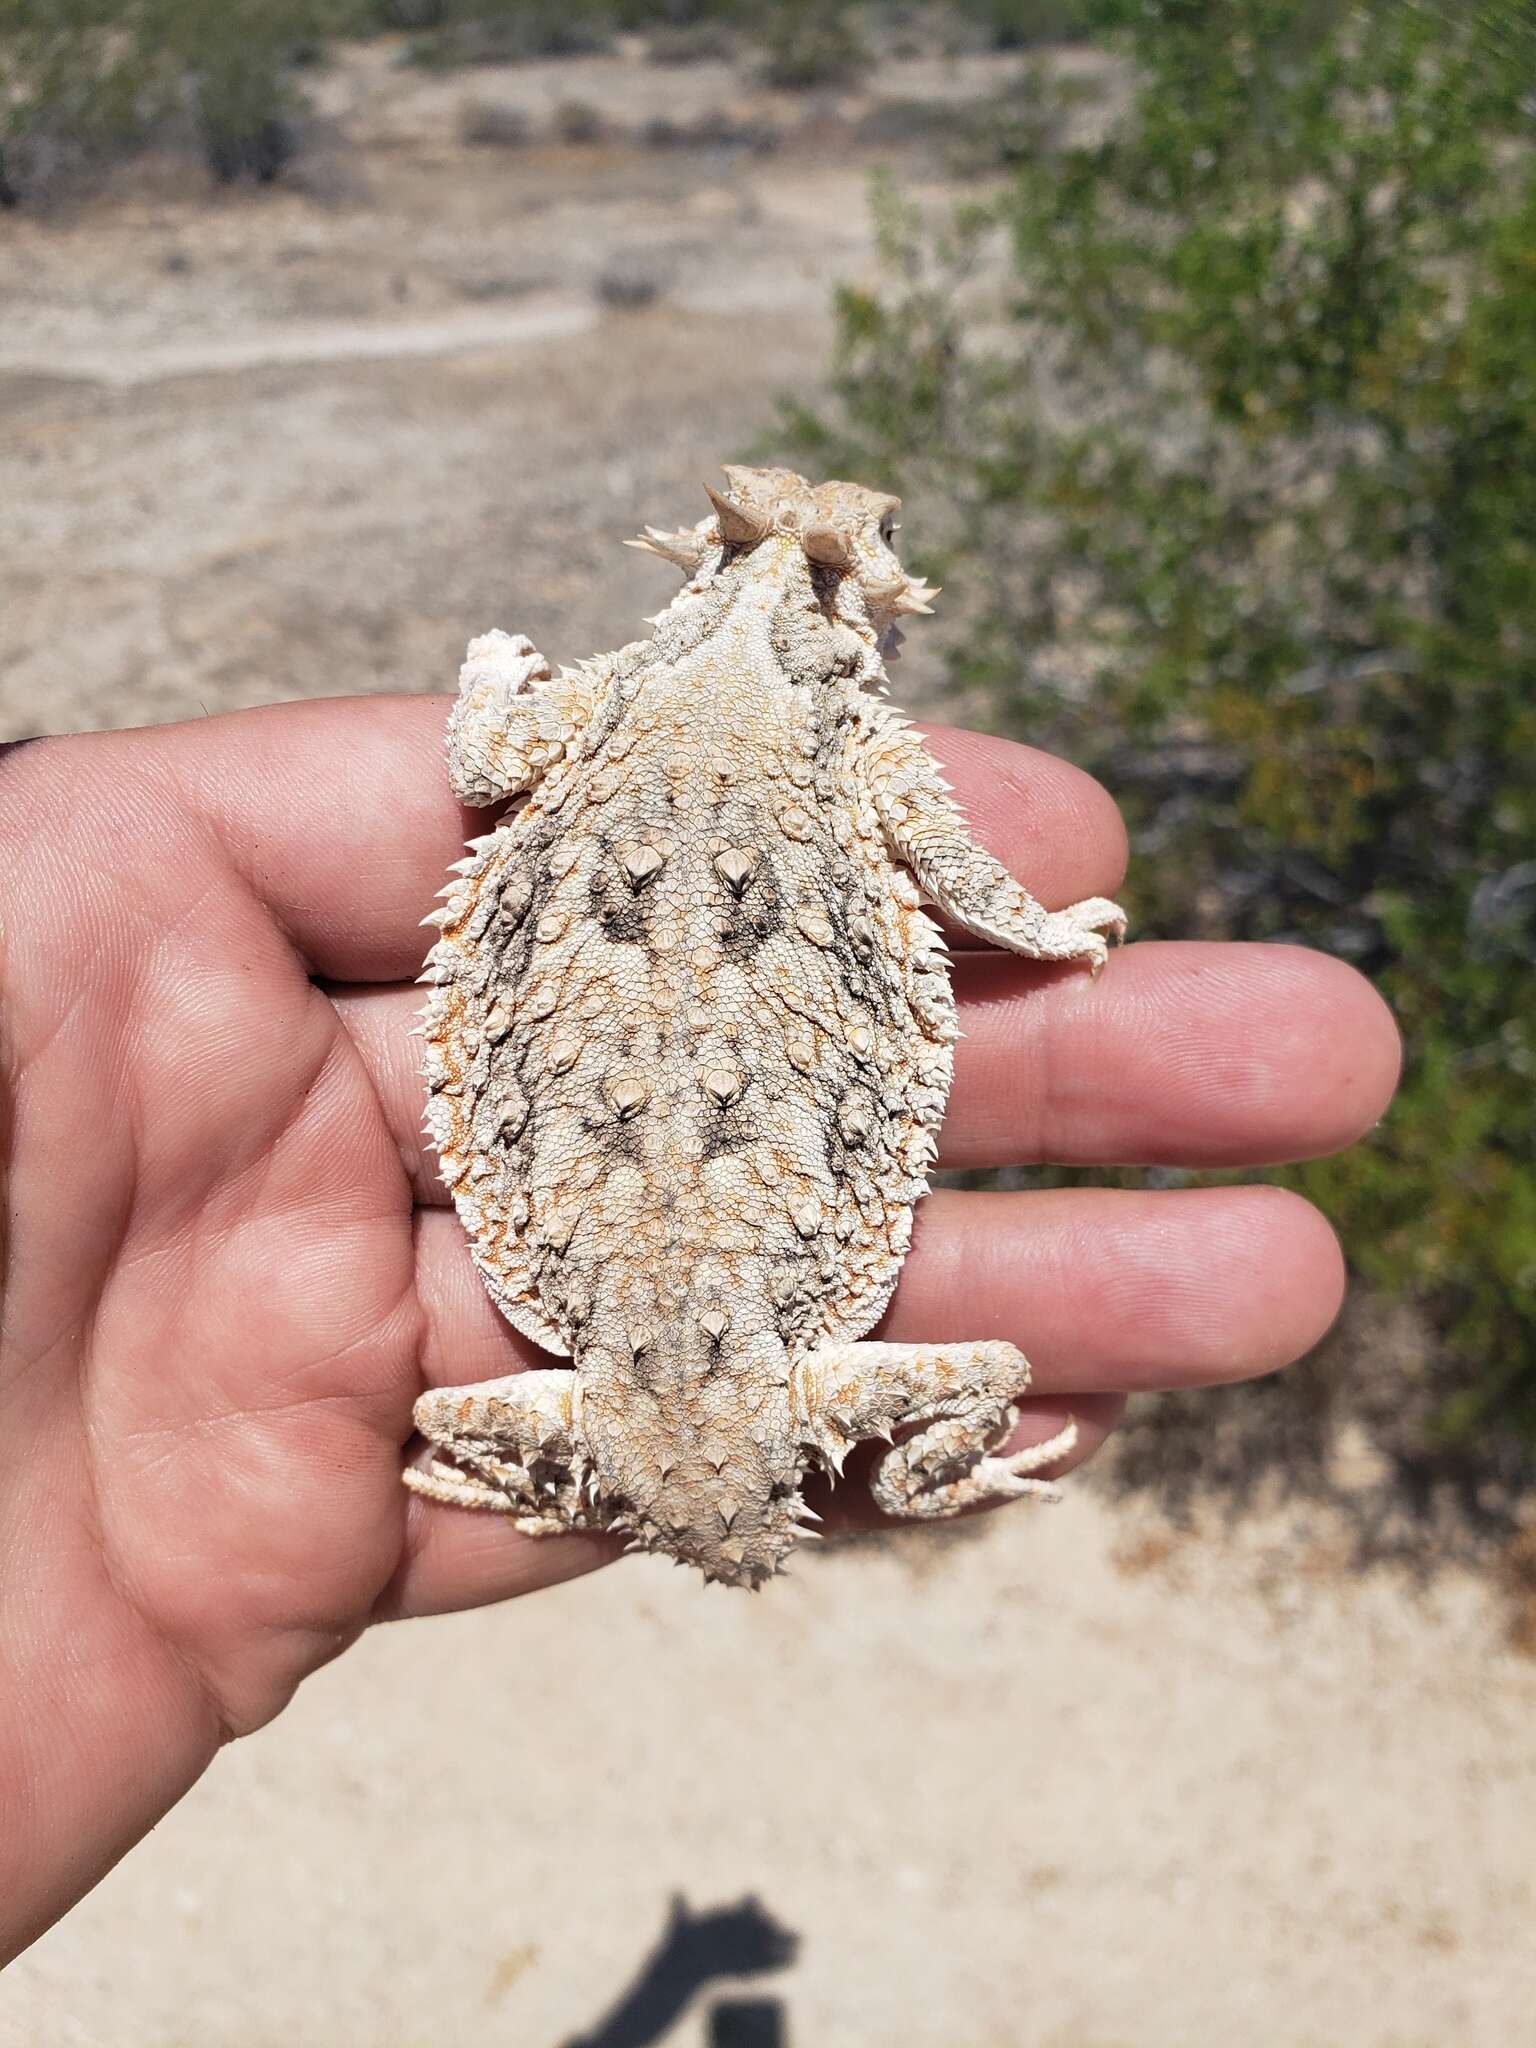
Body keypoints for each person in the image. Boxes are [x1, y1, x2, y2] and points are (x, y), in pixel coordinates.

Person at [0, 697, 1400, 1963]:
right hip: (679, 1360)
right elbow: (939, 868)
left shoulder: (617, 708)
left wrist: (500, 674)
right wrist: (1028, 930)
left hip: (620, 1355)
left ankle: (717, 1477)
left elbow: (489, 752)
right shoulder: (842, 734)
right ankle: (841, 1478)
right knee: (1001, 1365)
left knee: (461, 1432)